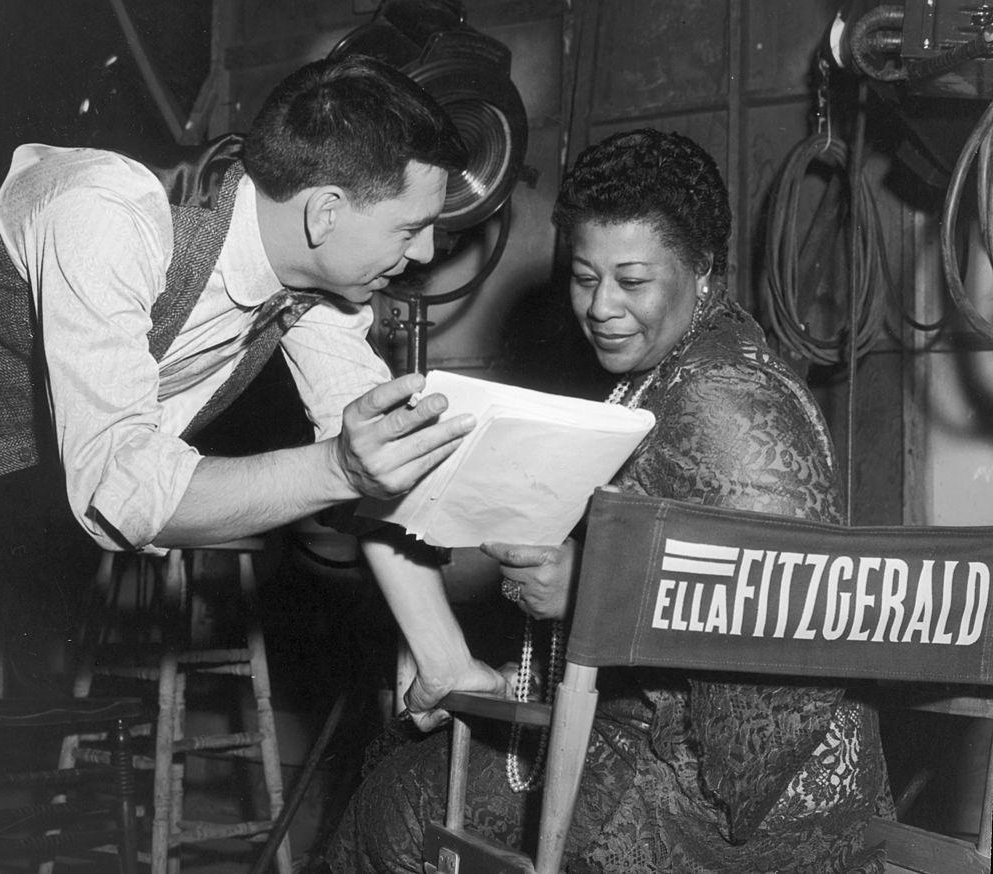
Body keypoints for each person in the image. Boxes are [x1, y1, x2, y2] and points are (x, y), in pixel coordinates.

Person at [325, 128, 891, 873]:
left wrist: (590, 587)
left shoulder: (725, 400)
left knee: (401, 807)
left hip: (748, 804)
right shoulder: (683, 366)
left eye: (632, 280)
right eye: (585, 277)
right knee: (411, 778)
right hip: (686, 747)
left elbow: (790, 614)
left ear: (703, 269)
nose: (601, 306)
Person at [0, 54, 508, 705]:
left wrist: (444, 661)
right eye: (410, 227)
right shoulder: (110, 214)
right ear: (325, 214)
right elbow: (116, 487)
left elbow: (380, 451)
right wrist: (336, 470)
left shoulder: (314, 275)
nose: (424, 253)